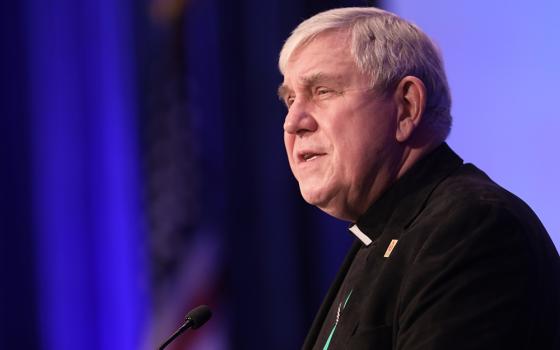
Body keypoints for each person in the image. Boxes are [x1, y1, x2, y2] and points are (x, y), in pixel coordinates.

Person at [277, 7, 560, 350]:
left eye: (322, 91)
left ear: (407, 107)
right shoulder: (379, 238)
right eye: (290, 99)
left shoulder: (471, 227)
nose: (294, 122)